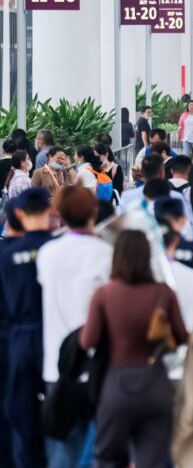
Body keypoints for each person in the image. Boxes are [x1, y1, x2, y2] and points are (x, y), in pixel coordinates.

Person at [80, 229, 188, 467]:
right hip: (156, 383)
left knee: (108, 457)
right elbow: (182, 337)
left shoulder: (104, 294)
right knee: (155, 459)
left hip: (116, 384)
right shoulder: (164, 292)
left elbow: (88, 341)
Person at [37, 185, 112, 464]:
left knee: (61, 451)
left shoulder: (48, 253)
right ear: (94, 212)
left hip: (57, 364)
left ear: (60, 213)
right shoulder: (106, 253)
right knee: (101, 450)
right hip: (97, 363)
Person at [0, 188, 52, 467]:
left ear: (19, 214)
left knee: (19, 408)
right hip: (55, 335)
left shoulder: (8, 255)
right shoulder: (56, 249)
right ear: (49, 211)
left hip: (18, 336)